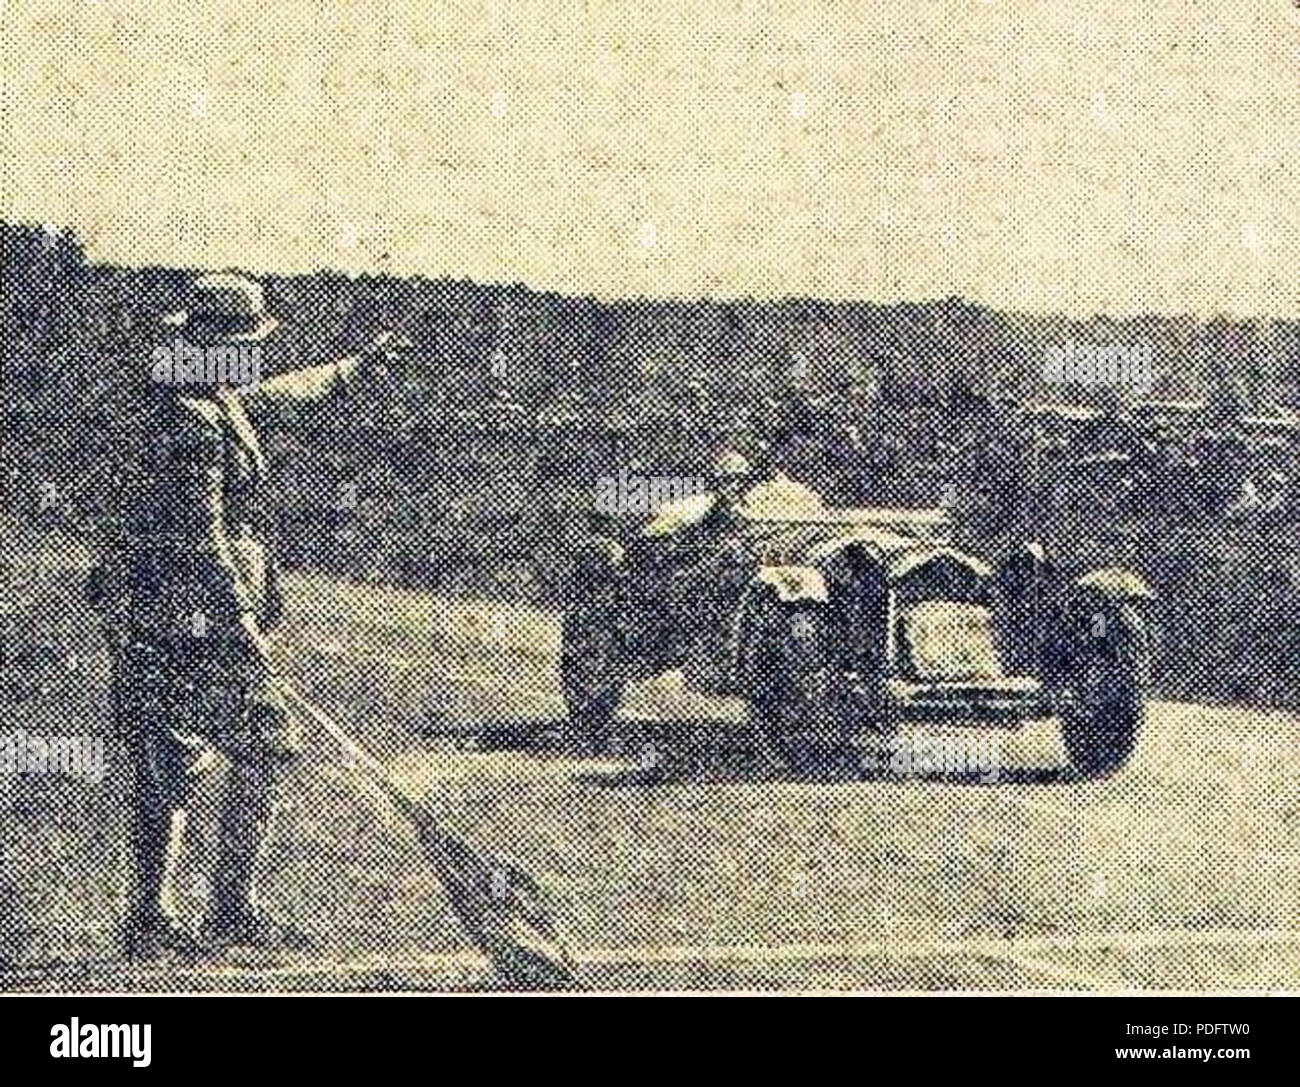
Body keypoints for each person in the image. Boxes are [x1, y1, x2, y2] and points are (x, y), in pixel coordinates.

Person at [90, 272, 398, 958]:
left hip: (160, 616)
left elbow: (283, 396)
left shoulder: (198, 395)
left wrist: (353, 369)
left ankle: (153, 914)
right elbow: (204, 542)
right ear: (218, 344)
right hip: (196, 619)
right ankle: (226, 907)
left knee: (169, 756)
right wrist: (244, 630)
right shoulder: (193, 421)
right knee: (265, 743)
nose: (256, 357)